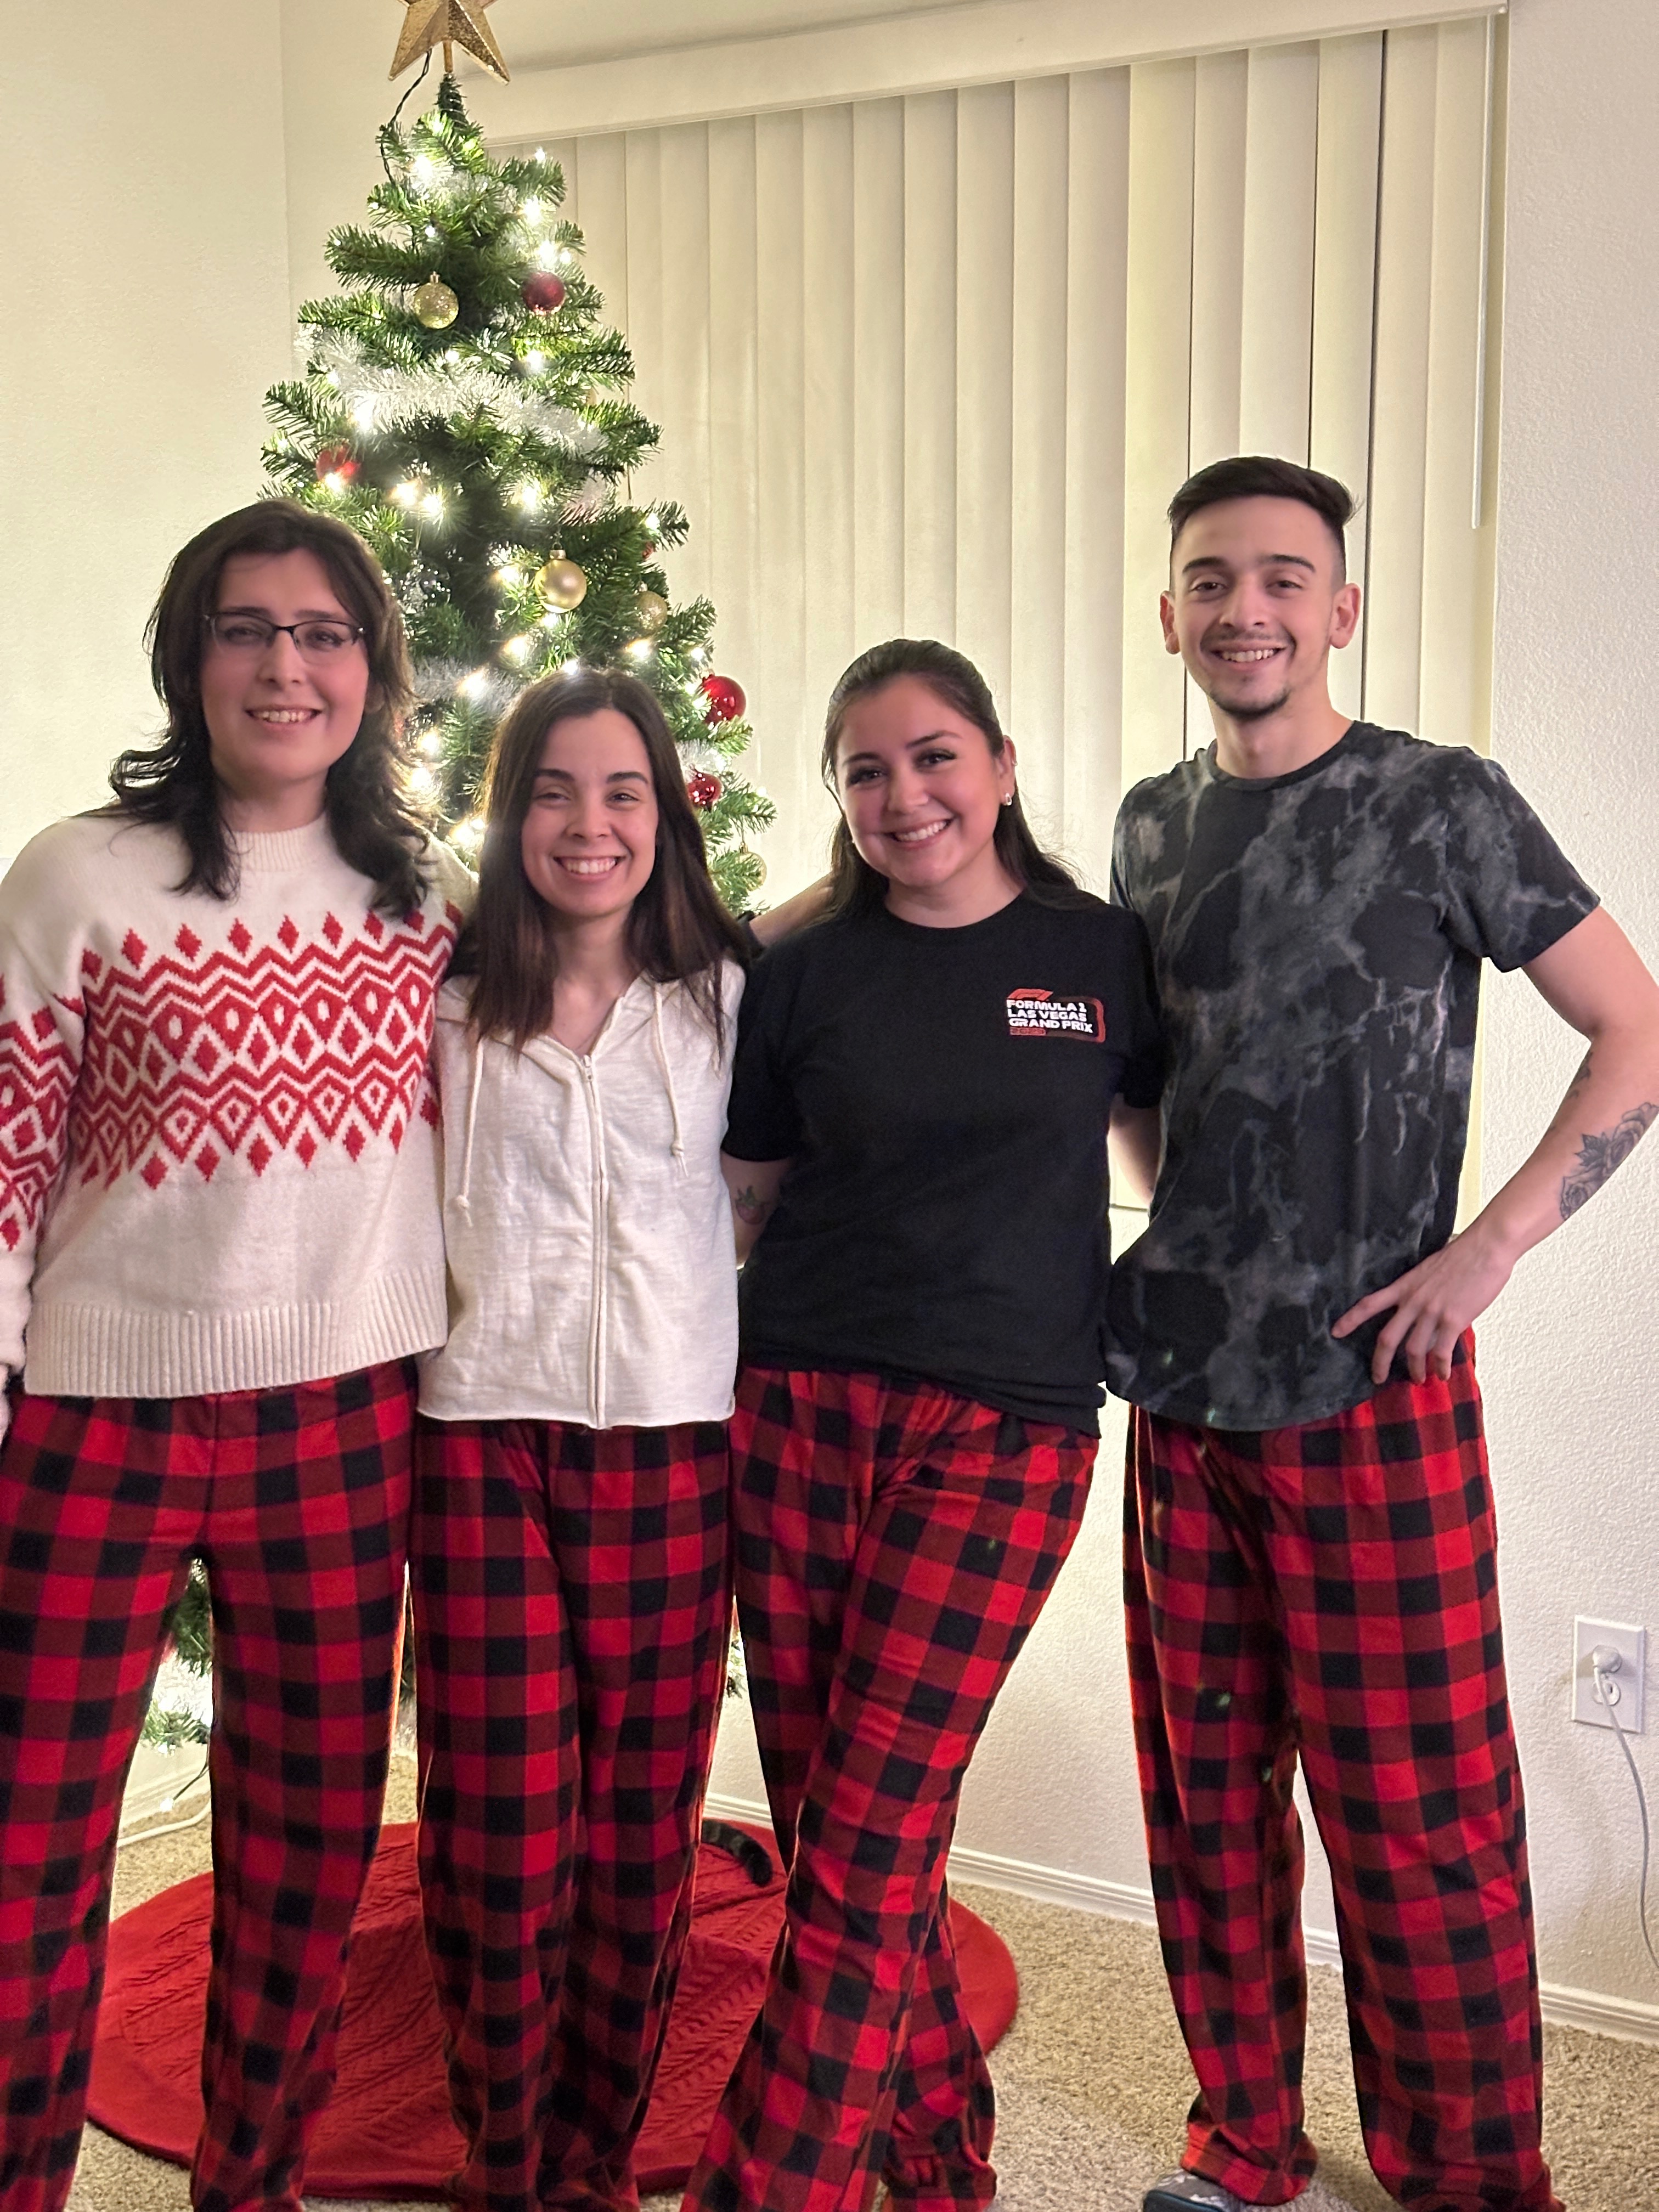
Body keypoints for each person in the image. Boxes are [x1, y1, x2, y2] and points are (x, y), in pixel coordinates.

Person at [1107, 455, 1659, 2212]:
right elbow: (1146, 1082)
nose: (1246, 608)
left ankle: (1473, 2179)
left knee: (1423, 1821)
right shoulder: (1146, 826)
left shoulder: (1442, 802)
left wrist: (1489, 1251)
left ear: (1340, 608)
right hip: (1180, 1392)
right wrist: (1195, 1219)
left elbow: (1637, 1030)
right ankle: (1244, 2146)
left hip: (1375, 1394)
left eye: (1284, 577)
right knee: (1206, 1807)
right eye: (1212, 578)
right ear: (1172, 612)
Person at [0, 500, 472, 2212]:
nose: (288, 665)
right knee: (26, 1858)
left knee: (304, 1864)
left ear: (373, 669)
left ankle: (250, 2186)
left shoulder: (430, 897)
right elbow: (4, 1158)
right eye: (247, 628)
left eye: (325, 632)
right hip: (91, 1422)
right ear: (188, 657)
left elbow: (625, 988)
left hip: (345, 1421)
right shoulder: (75, 876)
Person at [681, 637, 1164, 2212]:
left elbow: (1165, 1160)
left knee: (871, 1833)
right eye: (867, 772)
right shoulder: (804, 970)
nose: (906, 796)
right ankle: (941, 2160)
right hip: (794, 1407)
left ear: (1002, 765)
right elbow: (747, 1201)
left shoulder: (1101, 953)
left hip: (1007, 1432)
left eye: (936, 756)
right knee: (838, 1823)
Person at [410, 668, 749, 2212]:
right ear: (509, 814)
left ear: (666, 812)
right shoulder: (440, 1002)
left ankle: (592, 2161)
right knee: (496, 1825)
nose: (588, 823)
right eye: (552, 790)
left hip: (672, 1447)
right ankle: (503, 2154)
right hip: (480, 1438)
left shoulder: (732, 998)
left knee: (638, 1828)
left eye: (622, 791)